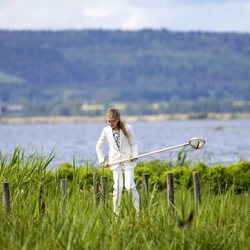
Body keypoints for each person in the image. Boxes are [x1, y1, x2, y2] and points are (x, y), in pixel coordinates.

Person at [96, 108, 140, 215]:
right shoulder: (105, 130)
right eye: (108, 121)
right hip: (115, 162)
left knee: (130, 187)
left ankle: (138, 213)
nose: (111, 123)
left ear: (118, 119)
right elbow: (98, 147)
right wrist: (102, 161)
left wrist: (134, 155)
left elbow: (134, 143)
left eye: (113, 121)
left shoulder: (128, 128)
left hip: (128, 160)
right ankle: (116, 215)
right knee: (118, 188)